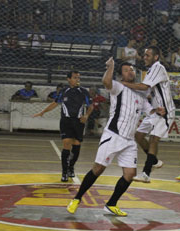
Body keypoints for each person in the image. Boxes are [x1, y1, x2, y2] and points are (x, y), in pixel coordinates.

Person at [66, 58, 165, 216]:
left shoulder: (140, 93)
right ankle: (77, 198)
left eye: (132, 70)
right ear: (121, 76)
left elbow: (149, 110)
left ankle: (111, 204)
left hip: (129, 140)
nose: (130, 72)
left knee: (130, 174)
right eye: (126, 70)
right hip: (113, 135)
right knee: (98, 169)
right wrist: (110, 67)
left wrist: (157, 111)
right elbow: (106, 81)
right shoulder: (118, 87)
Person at [120, 45, 176, 183]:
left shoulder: (158, 67)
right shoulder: (152, 70)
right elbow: (145, 90)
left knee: (153, 139)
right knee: (138, 136)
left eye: (147, 55)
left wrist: (124, 84)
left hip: (165, 111)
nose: (144, 57)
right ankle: (155, 161)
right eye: (144, 55)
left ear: (155, 57)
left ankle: (146, 173)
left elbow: (144, 87)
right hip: (157, 111)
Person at [33, 71, 93, 182]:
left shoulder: (83, 92)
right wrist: (43, 112)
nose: (77, 80)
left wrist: (86, 115)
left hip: (79, 122)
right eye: (75, 78)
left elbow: (91, 106)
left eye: (78, 78)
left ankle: (71, 167)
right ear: (68, 79)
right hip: (66, 121)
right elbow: (55, 103)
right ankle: (64, 172)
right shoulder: (64, 91)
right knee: (66, 143)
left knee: (76, 145)